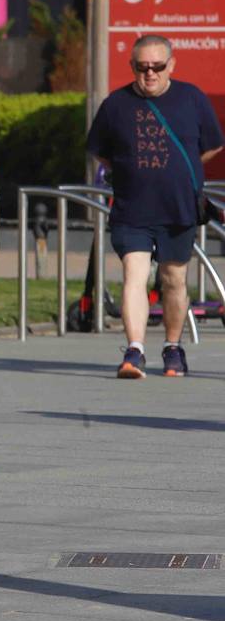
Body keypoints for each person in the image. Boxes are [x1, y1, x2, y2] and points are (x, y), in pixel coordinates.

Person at [87, 34, 224, 378]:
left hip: (178, 209)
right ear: (132, 66)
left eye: (157, 67)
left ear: (171, 66)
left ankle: (172, 348)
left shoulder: (191, 99)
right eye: (142, 67)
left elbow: (210, 147)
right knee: (134, 275)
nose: (150, 74)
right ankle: (135, 350)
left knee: (174, 279)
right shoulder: (115, 105)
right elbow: (101, 150)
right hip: (132, 209)